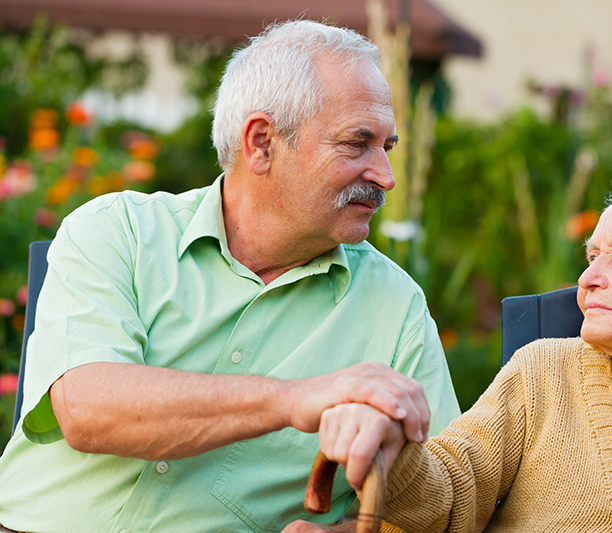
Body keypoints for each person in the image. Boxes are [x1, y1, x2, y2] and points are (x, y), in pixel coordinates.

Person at [0, 20, 460, 532]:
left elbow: (445, 494)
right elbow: (87, 408)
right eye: (357, 144)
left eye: (387, 147)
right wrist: (295, 399)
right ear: (261, 143)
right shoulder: (116, 230)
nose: (385, 175)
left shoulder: (396, 306)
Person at [305, 180, 612, 532]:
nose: (588, 279)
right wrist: (396, 449)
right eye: (592, 255)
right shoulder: (539, 374)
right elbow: (451, 494)